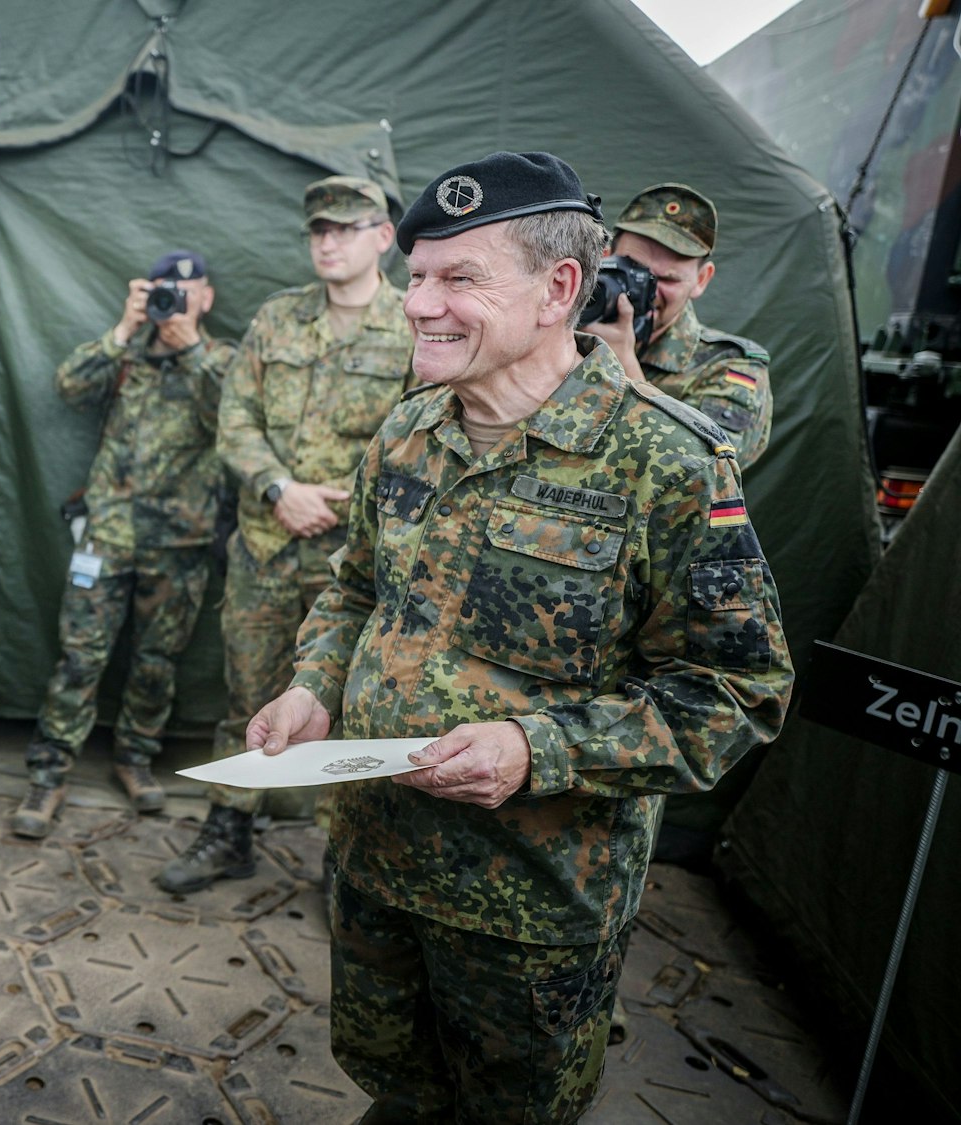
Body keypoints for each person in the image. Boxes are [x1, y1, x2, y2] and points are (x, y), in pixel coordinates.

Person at [246, 151, 795, 1123]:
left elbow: (735, 692)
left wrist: (535, 749)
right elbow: (352, 589)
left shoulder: (662, 464)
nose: (418, 305)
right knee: (396, 1090)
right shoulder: (406, 433)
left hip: (529, 914)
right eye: (416, 276)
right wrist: (311, 687)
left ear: (558, 291)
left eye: (459, 279)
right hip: (378, 860)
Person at [164, 175, 413, 893]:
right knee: (245, 695)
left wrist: (345, 505)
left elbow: (418, 434)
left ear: (383, 237)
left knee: (350, 708)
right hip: (266, 546)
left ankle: (343, 859)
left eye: (344, 227)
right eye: (318, 230)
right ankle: (229, 829)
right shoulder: (276, 321)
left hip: (355, 560)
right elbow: (234, 419)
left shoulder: (412, 327)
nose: (328, 241)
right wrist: (280, 488)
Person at [11, 250, 235, 838]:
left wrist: (187, 346)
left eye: (185, 292)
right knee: (80, 655)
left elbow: (235, 419)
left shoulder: (223, 362)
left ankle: (135, 759)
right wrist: (125, 328)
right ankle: (49, 770)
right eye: (163, 291)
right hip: (108, 535)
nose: (174, 302)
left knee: (157, 662)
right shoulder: (125, 356)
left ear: (207, 298)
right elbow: (68, 386)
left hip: (180, 542)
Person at [586, 183, 772, 468]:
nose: (647, 291)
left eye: (669, 280)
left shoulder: (729, 368)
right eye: (634, 269)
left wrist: (624, 367)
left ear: (701, 280)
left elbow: (707, 469)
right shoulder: (562, 324)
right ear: (605, 256)